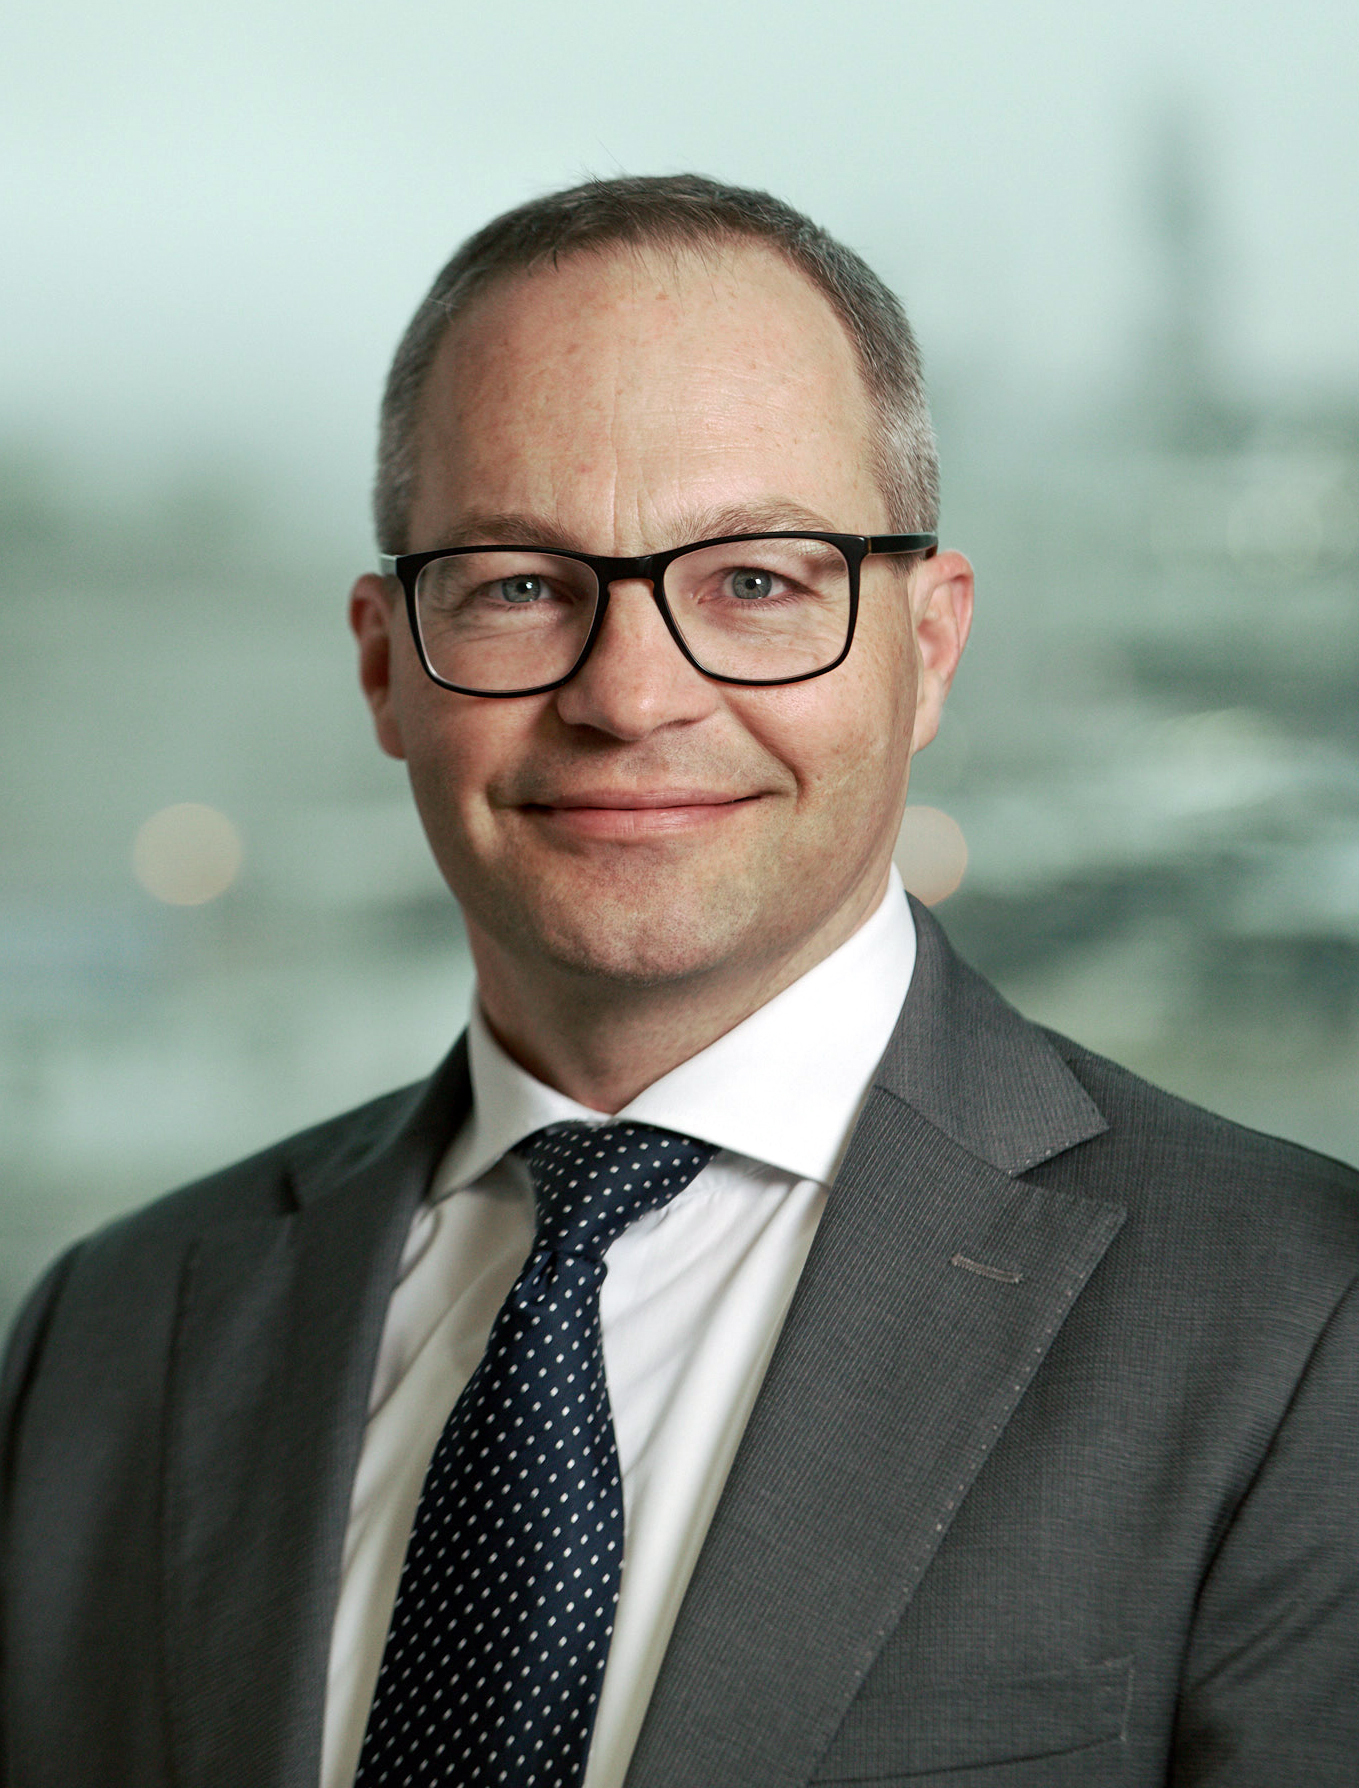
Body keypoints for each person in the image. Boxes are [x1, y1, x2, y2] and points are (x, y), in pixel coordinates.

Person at [2, 174, 1357, 1788]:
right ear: (383, 662)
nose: (632, 697)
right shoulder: (108, 1332)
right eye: (519, 585)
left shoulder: (1299, 1324)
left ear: (928, 647)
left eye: (757, 583)